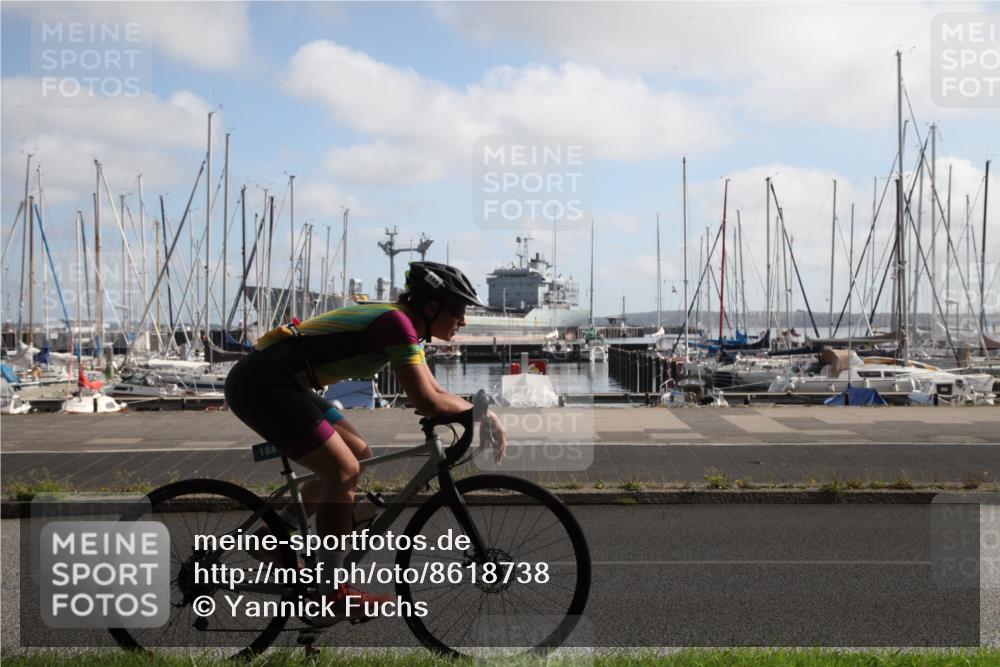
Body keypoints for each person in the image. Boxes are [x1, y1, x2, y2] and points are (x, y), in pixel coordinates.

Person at [224, 261, 507, 625]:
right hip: (262, 385)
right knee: (342, 471)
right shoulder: (395, 324)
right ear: (431, 306)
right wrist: (481, 415)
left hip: (280, 382)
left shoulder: (404, 326)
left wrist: (477, 411)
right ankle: (331, 594)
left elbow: (435, 391)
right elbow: (425, 401)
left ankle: (272, 537)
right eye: (458, 309)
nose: (463, 320)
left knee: (358, 455)